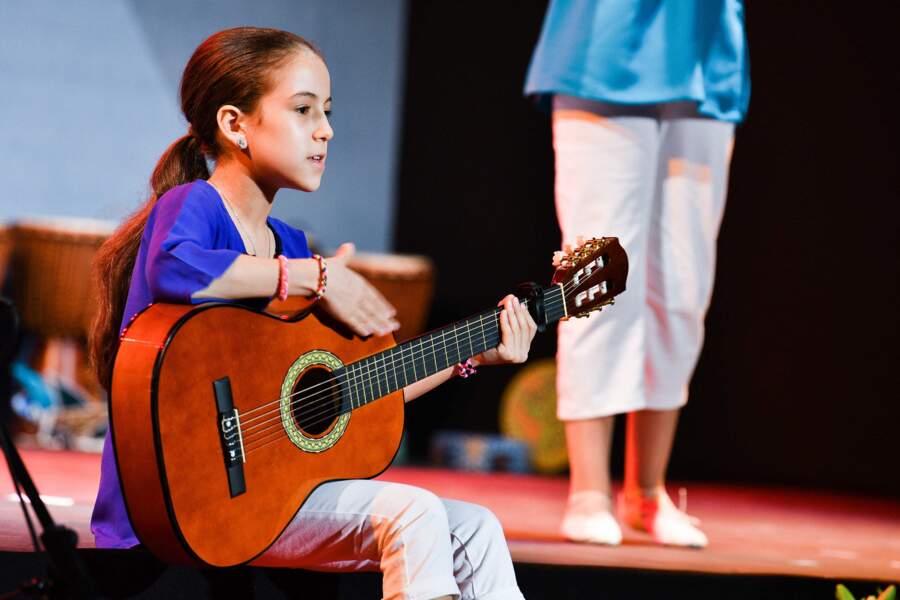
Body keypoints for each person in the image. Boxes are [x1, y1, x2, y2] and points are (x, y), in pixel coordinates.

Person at [89, 27, 535, 600]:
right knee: (413, 511)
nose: (325, 129)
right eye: (303, 109)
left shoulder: (291, 242)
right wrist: (313, 277)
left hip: (272, 498)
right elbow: (178, 271)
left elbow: (360, 392)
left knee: (476, 527)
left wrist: (471, 352)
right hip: (181, 502)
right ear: (234, 124)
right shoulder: (194, 206)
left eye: (326, 111)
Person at [525, 1, 750, 547]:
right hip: (607, 45)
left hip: (704, 54)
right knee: (597, 276)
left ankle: (647, 493)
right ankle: (588, 492)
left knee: (683, 284)